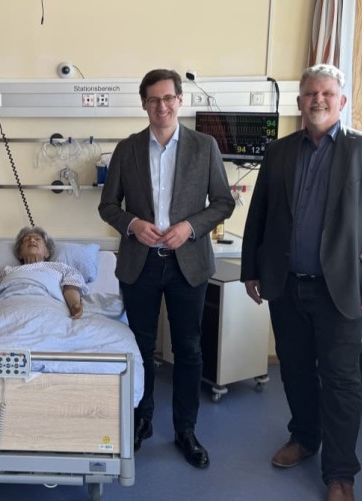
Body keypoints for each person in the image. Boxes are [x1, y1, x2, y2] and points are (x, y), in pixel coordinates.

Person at [240, 63, 362, 501]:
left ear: (341, 101)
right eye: (311, 93)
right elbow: (260, 214)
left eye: (327, 93)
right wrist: (251, 270)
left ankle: (341, 475)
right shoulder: (279, 152)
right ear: (299, 102)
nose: (318, 100)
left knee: (340, 381)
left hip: (343, 291)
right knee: (294, 371)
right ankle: (304, 438)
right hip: (287, 285)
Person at [99, 69, 235, 468]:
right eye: (154, 99)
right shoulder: (127, 149)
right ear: (144, 103)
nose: (162, 106)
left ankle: (185, 429)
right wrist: (132, 224)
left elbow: (223, 202)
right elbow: (108, 206)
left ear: (180, 100)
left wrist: (190, 227)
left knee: (188, 348)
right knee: (140, 347)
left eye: (168, 98)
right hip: (139, 265)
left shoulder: (204, 146)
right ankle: (142, 420)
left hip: (187, 264)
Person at [0, 227, 85, 329]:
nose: (32, 240)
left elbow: (71, 287)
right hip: (4, 311)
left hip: (47, 310)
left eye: (37, 239)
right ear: (20, 254)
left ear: (47, 252)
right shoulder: (6, 272)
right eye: (27, 240)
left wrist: (74, 305)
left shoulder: (60, 268)